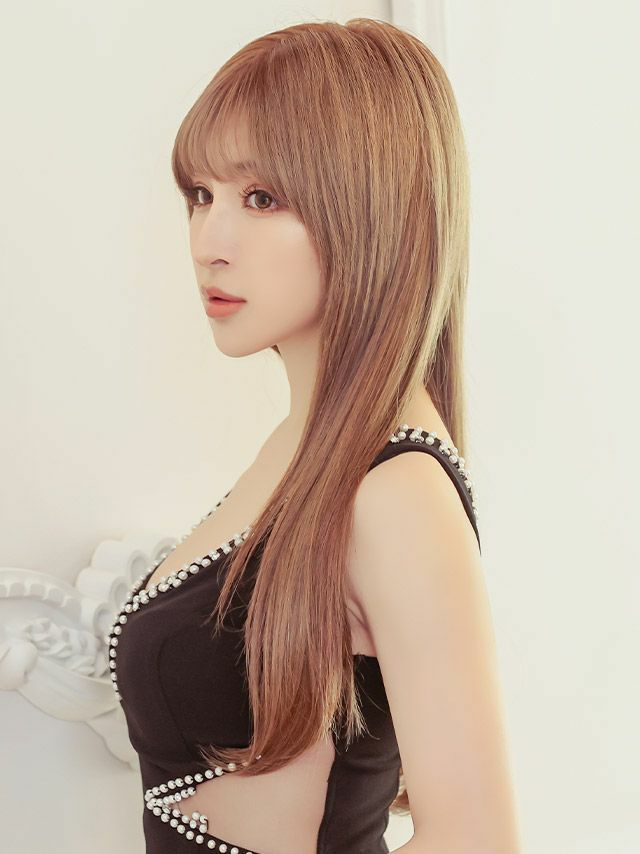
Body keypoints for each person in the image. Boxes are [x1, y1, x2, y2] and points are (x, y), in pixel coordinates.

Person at [109, 17, 521, 854]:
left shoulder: (394, 490)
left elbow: (476, 840)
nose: (209, 244)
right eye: (200, 195)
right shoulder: (308, 445)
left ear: (373, 212)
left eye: (261, 198)